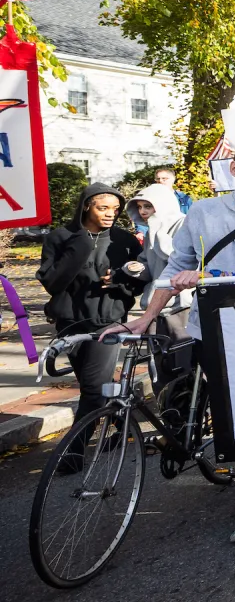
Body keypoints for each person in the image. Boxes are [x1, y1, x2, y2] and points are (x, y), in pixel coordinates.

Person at [116, 140, 235, 543]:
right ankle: (192, 437)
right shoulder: (203, 211)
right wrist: (146, 317)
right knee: (217, 404)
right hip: (208, 326)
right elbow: (177, 267)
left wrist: (214, 277)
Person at [39, 183, 145, 472]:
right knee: (93, 385)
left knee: (93, 389)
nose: (110, 214)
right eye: (103, 208)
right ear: (86, 206)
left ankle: (73, 453)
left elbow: (140, 280)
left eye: (115, 209)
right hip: (70, 322)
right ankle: (123, 421)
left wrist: (121, 281)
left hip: (108, 323)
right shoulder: (61, 237)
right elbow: (52, 283)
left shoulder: (124, 240)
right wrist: (80, 246)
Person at [124, 183, 187, 309]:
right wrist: (135, 268)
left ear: (163, 204)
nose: (142, 211)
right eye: (139, 207)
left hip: (181, 304)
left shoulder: (184, 223)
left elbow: (183, 261)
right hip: (156, 304)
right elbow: (152, 268)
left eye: (148, 206)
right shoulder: (151, 230)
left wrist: (159, 233)